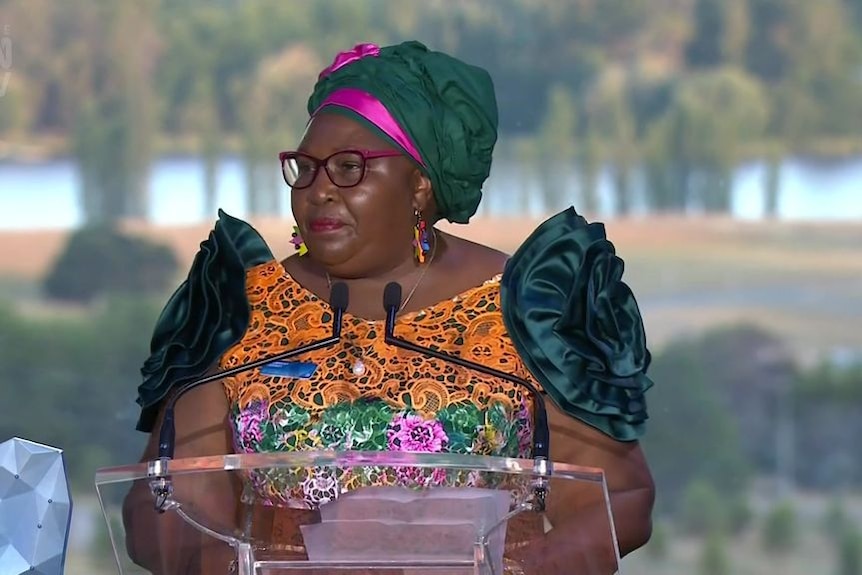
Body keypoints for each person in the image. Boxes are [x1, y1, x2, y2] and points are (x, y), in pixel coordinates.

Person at [123, 40, 654, 574]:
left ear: (420, 184)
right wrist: (217, 562)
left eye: (349, 168)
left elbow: (621, 498)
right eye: (305, 168)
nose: (319, 190)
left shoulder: (528, 306)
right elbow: (161, 502)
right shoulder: (238, 304)